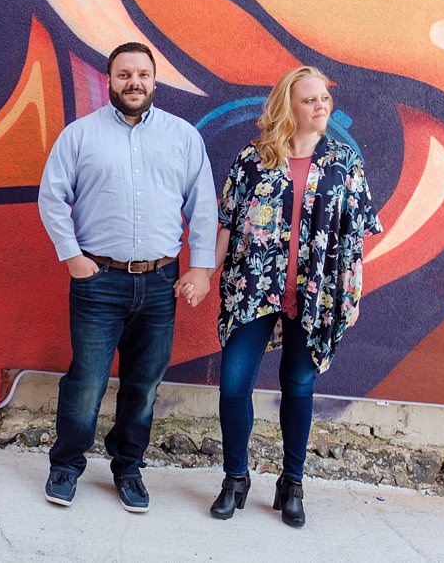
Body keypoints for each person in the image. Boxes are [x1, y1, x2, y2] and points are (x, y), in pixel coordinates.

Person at [37, 42, 217, 513]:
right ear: (110, 80)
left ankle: (128, 468)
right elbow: (52, 198)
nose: (133, 82)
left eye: (141, 74)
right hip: (98, 281)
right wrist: (72, 256)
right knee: (87, 381)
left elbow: (202, 205)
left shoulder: (183, 137)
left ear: (154, 81)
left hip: (161, 283)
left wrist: (200, 268)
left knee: (143, 384)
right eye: (123, 75)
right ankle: (67, 465)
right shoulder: (80, 136)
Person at [207, 66, 382, 528]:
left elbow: (356, 234)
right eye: (310, 99)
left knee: (298, 387)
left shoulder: (345, 161)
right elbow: (225, 221)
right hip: (253, 285)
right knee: (233, 383)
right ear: (290, 106)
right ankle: (235, 479)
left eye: (324, 98)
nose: (321, 105)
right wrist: (203, 273)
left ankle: (293, 482)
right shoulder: (253, 158)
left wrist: (352, 291)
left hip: (316, 291)